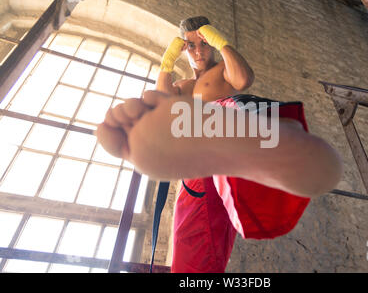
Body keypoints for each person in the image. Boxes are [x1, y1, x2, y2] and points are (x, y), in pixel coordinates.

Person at [96, 16, 343, 272]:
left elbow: (243, 79)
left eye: (204, 43)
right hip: (196, 164)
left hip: (227, 129)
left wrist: (222, 42)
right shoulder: (184, 86)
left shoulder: (222, 71)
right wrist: (167, 62)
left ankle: (267, 145)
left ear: (211, 44)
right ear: (184, 49)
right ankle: (232, 140)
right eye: (191, 46)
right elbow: (162, 101)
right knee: (189, 244)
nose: (199, 51)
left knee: (222, 112)